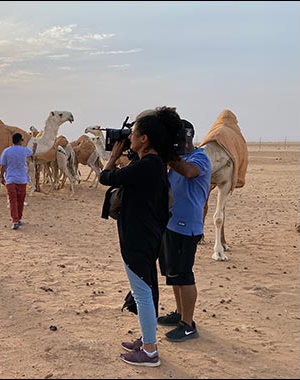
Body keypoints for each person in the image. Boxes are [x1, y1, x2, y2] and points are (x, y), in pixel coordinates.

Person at [99, 106, 183, 367]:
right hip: (145, 235)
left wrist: (112, 156)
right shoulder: (153, 164)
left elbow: (106, 176)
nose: (130, 137)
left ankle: (149, 352)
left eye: (134, 133)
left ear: (144, 139)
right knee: (146, 289)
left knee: (143, 292)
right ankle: (147, 340)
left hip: (138, 237)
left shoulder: (148, 165)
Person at [157, 119, 211, 341]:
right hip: (171, 224)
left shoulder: (199, 158)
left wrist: (167, 155)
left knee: (185, 276)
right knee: (174, 275)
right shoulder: (177, 160)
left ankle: (188, 325)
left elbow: (189, 172)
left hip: (187, 227)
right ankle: (179, 314)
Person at [0, 133, 37, 230]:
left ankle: (15, 220)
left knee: (13, 200)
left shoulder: (6, 151)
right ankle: (17, 219)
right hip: (21, 179)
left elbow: (3, 165)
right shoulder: (24, 150)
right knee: (20, 200)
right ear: (20, 140)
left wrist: (1, 176)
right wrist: (34, 147)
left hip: (10, 179)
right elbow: (32, 153)